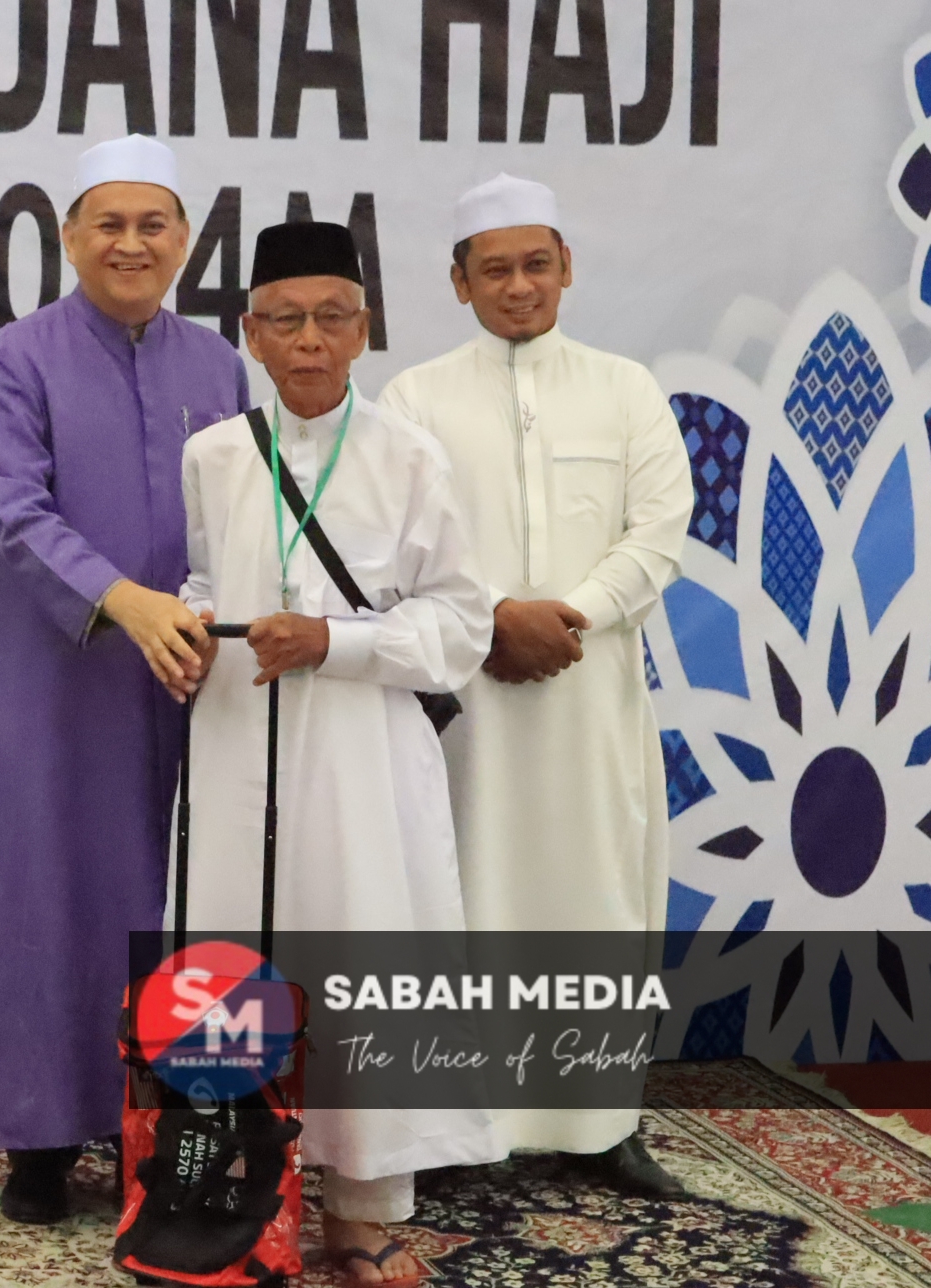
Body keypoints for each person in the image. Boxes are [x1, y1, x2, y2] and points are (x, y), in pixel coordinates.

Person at [179, 221, 499, 1285]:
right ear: (250, 334)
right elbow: (202, 578)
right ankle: (237, 1204)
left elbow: (460, 623)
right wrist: (189, 630)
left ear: (363, 330)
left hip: (365, 756)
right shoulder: (214, 454)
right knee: (236, 959)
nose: (308, 340)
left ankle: (362, 1213)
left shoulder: (411, 455)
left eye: (329, 318)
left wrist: (336, 642)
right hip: (237, 744)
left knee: (363, 958)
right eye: (285, 320)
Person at [379, 174, 694, 1195]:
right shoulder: (414, 399)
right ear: (458, 283)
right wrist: (494, 621)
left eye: (536, 265)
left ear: (566, 268)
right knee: (461, 897)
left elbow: (659, 531)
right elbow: (399, 544)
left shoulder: (625, 388)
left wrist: (572, 617)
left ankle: (598, 1125)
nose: (519, 286)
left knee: (596, 900)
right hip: (465, 706)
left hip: (590, 698)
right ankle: (455, 1129)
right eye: (495, 270)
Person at [0, 134, 250, 1223]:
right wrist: (122, 600)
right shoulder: (16, 358)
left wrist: (211, 611)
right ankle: (39, 1136)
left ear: (184, 239)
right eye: (109, 224)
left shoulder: (219, 366)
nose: (131, 244)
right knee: (45, 891)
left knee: (181, 899)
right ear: (70, 237)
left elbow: (243, 515)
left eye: (152, 224)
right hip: (58, 676)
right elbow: (16, 510)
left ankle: (167, 1130)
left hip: (187, 676)